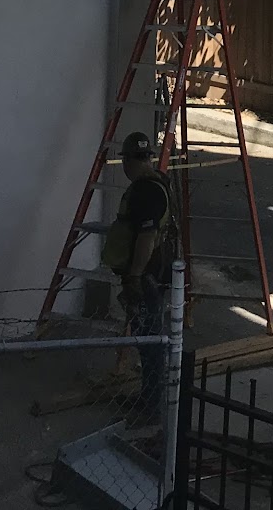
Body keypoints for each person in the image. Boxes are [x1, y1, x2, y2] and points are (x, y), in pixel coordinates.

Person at [105, 130, 175, 433]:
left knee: (150, 341)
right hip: (149, 274)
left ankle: (151, 408)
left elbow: (146, 239)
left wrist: (133, 277)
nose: (124, 166)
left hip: (147, 277)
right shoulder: (154, 184)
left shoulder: (147, 191)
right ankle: (147, 398)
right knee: (147, 339)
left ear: (131, 160)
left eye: (126, 160)